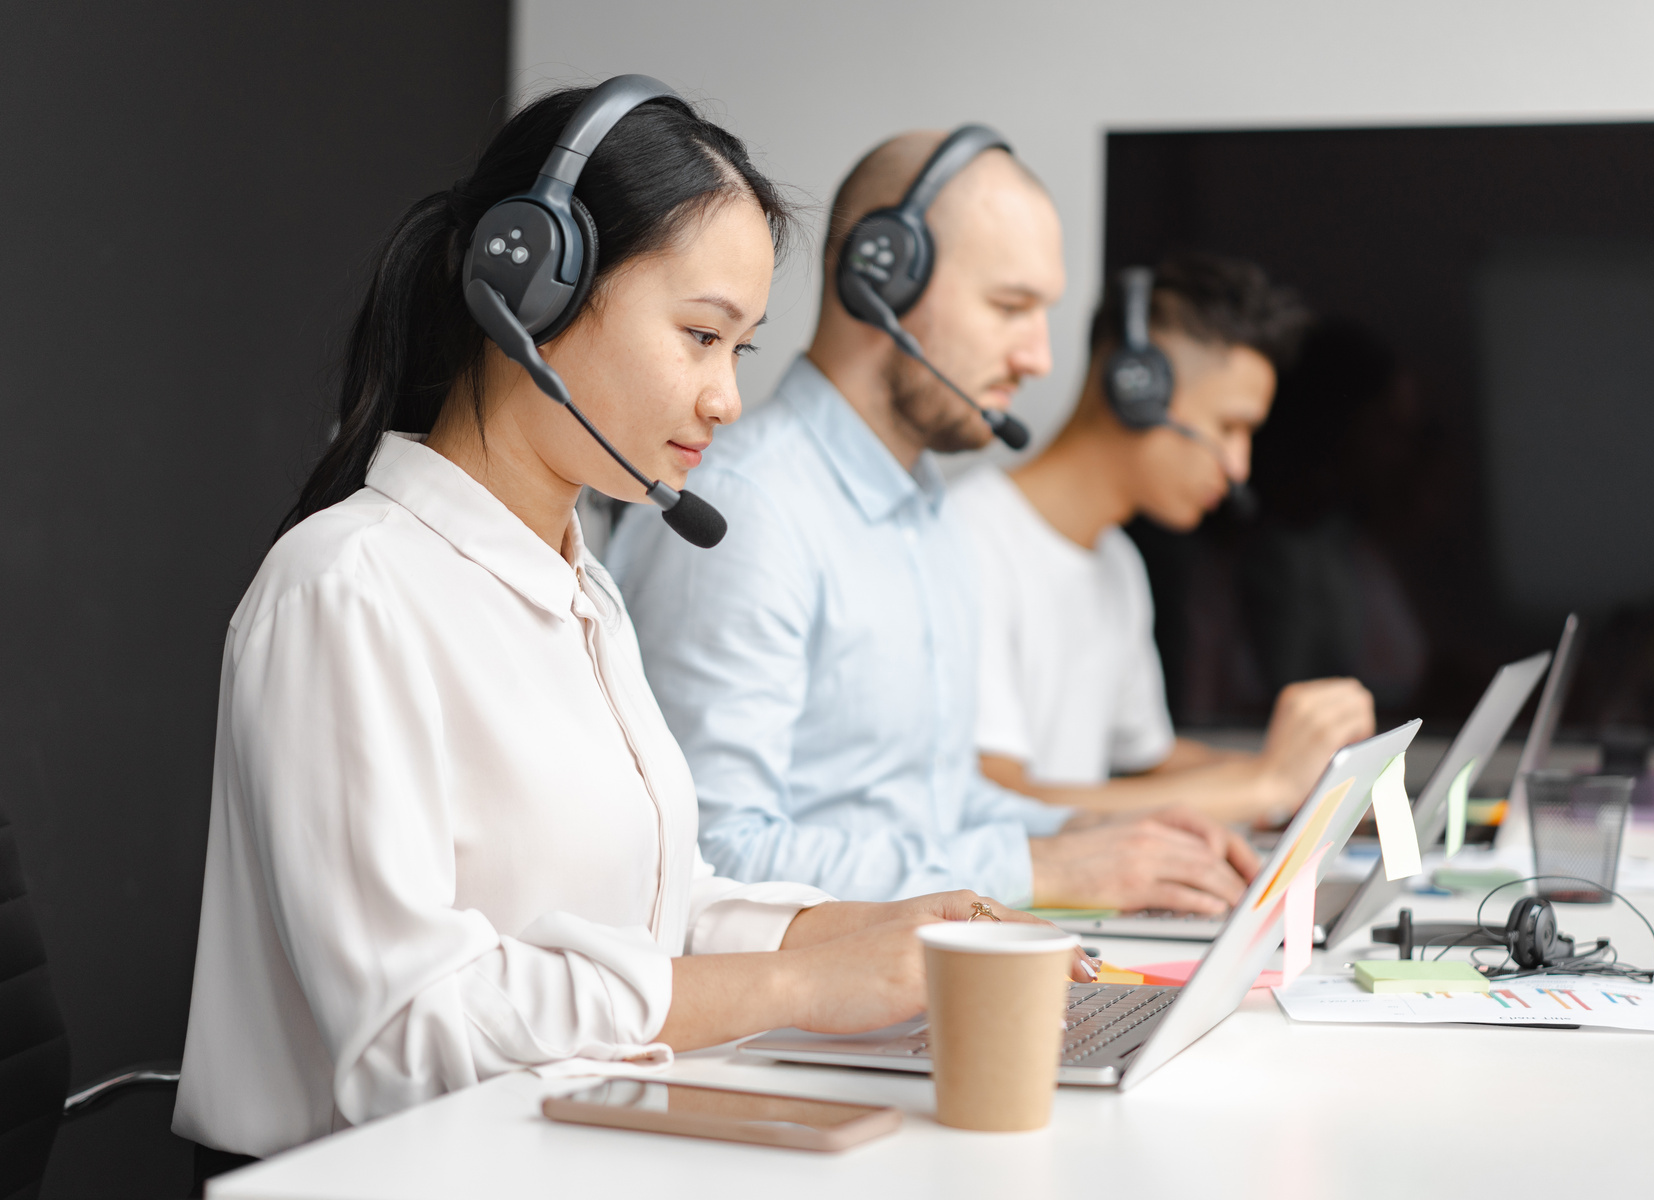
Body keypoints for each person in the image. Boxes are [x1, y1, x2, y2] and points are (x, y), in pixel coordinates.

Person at [173, 86, 1073, 1164]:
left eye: (738, 350)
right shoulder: (347, 589)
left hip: (565, 1153)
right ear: (529, 289)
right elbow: (410, 1033)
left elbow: (647, 902)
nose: (725, 398)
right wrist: (792, 984)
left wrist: (854, 930)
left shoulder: (580, 587)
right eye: (699, 335)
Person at [606, 131, 1259, 915]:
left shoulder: (928, 515)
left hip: (911, 990)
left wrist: (1098, 835)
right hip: (780, 1026)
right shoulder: (751, 511)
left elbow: (937, 808)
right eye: (1010, 307)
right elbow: (712, 854)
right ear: (884, 274)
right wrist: (1048, 873)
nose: (1040, 358)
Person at [952, 254, 1375, 824]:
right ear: (1136, 387)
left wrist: (1310, 780)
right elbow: (1000, 804)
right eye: (1229, 427)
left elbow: (1151, 762)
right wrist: (1262, 786)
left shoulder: (1117, 563)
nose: (1238, 467)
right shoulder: (968, 539)